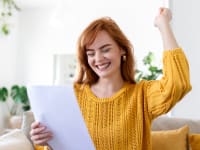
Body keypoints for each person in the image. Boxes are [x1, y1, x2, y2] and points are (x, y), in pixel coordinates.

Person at [30, 7, 192, 150]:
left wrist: (163, 25)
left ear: (122, 49)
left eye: (105, 49)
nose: (98, 59)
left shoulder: (141, 96)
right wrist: (46, 142)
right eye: (91, 53)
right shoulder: (73, 96)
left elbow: (177, 84)